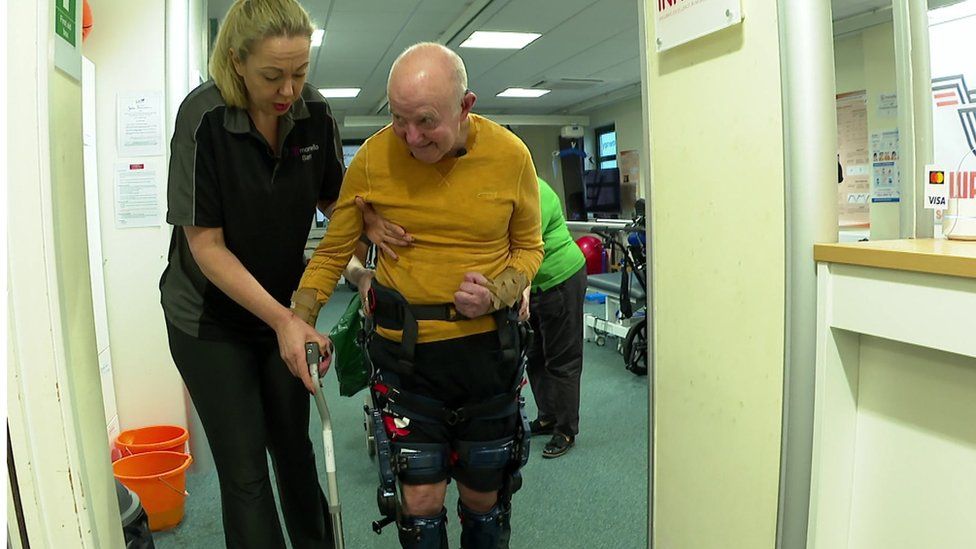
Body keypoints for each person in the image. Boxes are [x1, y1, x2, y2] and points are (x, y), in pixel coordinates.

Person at [283, 42, 543, 548]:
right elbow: (332, 252)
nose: (411, 136)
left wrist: (498, 292)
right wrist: (300, 318)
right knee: (419, 502)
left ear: (465, 105)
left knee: (483, 500)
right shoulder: (375, 158)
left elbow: (529, 248)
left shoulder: (511, 157)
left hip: (488, 353)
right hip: (406, 358)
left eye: (425, 121)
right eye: (399, 120)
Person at [159, 1, 374, 547]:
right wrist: (285, 320)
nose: (288, 91)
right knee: (247, 473)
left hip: (284, 311)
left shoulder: (315, 114)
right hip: (209, 320)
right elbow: (206, 246)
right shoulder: (202, 119)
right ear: (236, 61)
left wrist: (362, 266)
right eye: (272, 75)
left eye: (300, 73)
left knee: (296, 452)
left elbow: (336, 204)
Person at [518, 177, 587, 459]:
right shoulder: (502, 193)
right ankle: (547, 416)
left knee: (562, 359)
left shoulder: (536, 191)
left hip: (562, 277)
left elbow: (527, 246)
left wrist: (520, 289)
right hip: (532, 287)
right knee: (534, 355)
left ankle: (566, 429)